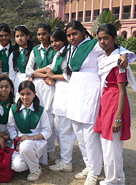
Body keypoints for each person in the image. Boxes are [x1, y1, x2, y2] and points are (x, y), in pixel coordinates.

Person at [65, 21, 131, 185]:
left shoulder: (94, 45)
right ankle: (89, 165)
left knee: (90, 134)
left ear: (83, 32)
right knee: (79, 133)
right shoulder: (70, 50)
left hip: (91, 92)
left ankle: (94, 172)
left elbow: (115, 49)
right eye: (69, 35)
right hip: (75, 92)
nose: (72, 38)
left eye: (75, 34)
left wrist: (124, 55)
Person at [94, 24, 136, 185]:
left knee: (112, 144)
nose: (102, 42)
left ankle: (112, 180)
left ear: (114, 38)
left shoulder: (118, 62)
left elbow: (122, 91)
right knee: (110, 144)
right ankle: (119, 178)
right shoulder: (105, 57)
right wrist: (124, 53)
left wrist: (118, 117)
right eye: (100, 39)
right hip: (105, 101)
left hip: (115, 103)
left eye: (106, 38)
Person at [44, 29, 76, 172]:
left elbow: (69, 75)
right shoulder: (59, 54)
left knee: (64, 130)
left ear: (64, 40)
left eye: (56, 40)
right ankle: (64, 159)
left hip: (66, 94)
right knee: (59, 129)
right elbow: (50, 69)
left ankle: (66, 162)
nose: (54, 44)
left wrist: (53, 76)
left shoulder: (69, 53)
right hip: (59, 92)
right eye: (51, 41)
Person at [7, 80, 51, 182]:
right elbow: (11, 127)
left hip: (37, 142)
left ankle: (35, 170)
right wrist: (16, 140)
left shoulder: (40, 110)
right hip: (20, 142)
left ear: (34, 94)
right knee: (17, 167)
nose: (25, 97)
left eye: (28, 94)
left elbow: (47, 131)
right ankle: (33, 160)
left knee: (26, 146)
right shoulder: (14, 109)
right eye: (22, 94)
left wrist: (31, 138)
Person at [26, 23, 57, 162]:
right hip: (38, 86)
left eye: (44, 34)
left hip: (52, 86)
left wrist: (36, 72)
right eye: (39, 34)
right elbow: (28, 70)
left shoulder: (55, 48)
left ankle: (51, 150)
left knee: (50, 119)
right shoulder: (35, 50)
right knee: (39, 117)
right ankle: (39, 149)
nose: (41, 37)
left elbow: (54, 67)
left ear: (49, 33)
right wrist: (44, 72)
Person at [9, 25, 34, 100]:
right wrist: (11, 86)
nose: (20, 38)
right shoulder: (13, 54)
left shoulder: (34, 51)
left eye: (22, 35)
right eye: (17, 36)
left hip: (31, 80)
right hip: (18, 81)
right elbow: (12, 73)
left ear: (28, 36)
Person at [0, 76, 15, 149]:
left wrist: (9, 135)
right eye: (1, 87)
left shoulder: (15, 105)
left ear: (11, 88)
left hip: (11, 133)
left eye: (7, 87)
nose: (4, 89)